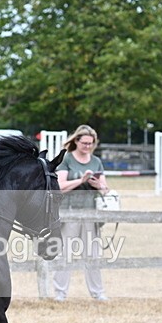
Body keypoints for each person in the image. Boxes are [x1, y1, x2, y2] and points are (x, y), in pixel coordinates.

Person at [52, 124, 110, 302]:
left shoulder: (96, 161)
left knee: (92, 254)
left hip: (91, 213)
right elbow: (60, 186)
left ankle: (97, 292)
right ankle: (60, 293)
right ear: (76, 141)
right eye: (84, 143)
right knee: (66, 253)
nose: (87, 147)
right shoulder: (67, 159)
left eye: (90, 144)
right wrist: (80, 180)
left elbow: (105, 190)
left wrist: (97, 185)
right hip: (70, 212)